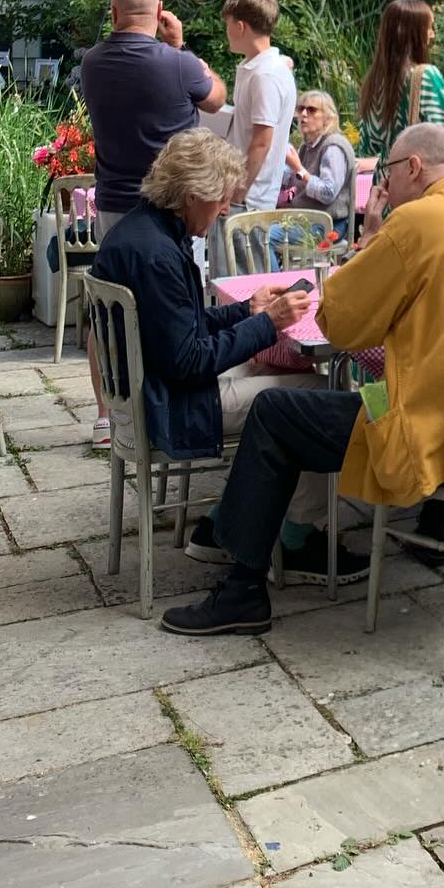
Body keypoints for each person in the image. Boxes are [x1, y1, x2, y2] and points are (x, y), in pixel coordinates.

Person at [161, 123, 444, 636]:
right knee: (342, 395)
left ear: (412, 168)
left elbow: (340, 321)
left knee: (275, 412)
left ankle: (241, 584)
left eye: (387, 175)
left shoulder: (416, 222)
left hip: (442, 435)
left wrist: (373, 236)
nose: (383, 187)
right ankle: (279, 534)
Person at [91, 130, 343, 582]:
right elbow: (188, 361)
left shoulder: (142, 230)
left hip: (150, 390)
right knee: (317, 395)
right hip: (172, 404)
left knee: (273, 365)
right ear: (192, 195)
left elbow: (176, 327)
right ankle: (299, 536)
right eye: (221, 199)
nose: (226, 208)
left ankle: (223, 522)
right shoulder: (159, 255)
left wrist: (247, 312)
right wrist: (269, 324)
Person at [79, 0, 228, 447]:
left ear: (113, 11)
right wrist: (180, 45)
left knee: (109, 307)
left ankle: (109, 414)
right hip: (173, 209)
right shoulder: (178, 64)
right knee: (179, 307)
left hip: (115, 205)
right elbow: (217, 97)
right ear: (160, 8)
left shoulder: (92, 64)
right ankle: (171, 400)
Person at [357, 0, 444, 181]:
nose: (432, 34)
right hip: (420, 185)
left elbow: (368, 146)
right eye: (429, 27)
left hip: (387, 186)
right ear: (412, 33)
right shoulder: (425, 75)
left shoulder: (374, 82)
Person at [224, 0, 298, 212]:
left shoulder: (266, 75)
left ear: (240, 27)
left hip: (250, 200)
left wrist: (238, 194)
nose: (226, 32)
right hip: (241, 193)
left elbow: (262, 142)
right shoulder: (257, 67)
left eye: (228, 24)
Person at [281, 89, 355, 232]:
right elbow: (291, 182)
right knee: (258, 229)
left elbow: (328, 193)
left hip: (328, 224)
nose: (303, 114)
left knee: (266, 237)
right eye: (301, 109)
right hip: (306, 219)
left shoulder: (333, 147)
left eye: (311, 110)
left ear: (327, 118)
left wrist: (298, 169)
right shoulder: (307, 146)